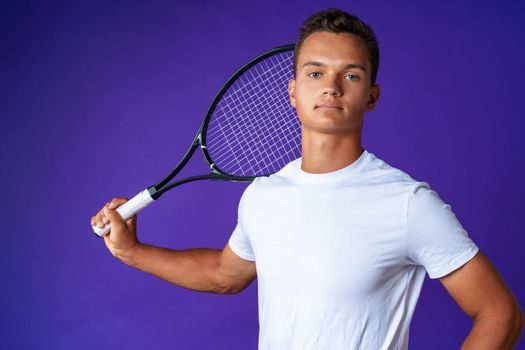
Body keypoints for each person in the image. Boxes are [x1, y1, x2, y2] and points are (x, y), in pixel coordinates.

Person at [91, 8, 523, 349]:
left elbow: (500, 314)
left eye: (351, 75)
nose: (331, 87)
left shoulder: (407, 202)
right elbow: (224, 274)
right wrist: (131, 251)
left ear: (371, 96)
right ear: (293, 91)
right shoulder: (264, 194)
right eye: (315, 73)